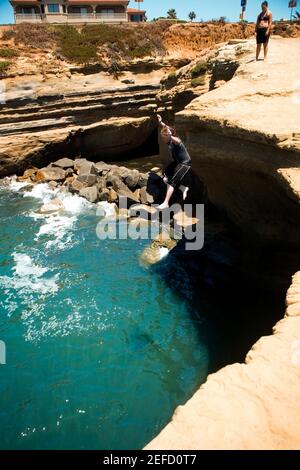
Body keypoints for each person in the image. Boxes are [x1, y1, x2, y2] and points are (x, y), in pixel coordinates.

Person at [157, 114, 191, 210]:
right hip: (177, 163)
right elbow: (167, 128)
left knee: (171, 182)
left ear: (169, 135)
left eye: (164, 137)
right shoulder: (168, 141)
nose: (163, 139)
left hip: (185, 164)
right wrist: (160, 122)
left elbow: (175, 138)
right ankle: (183, 188)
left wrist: (170, 135)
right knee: (165, 179)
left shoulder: (176, 141)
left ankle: (166, 203)